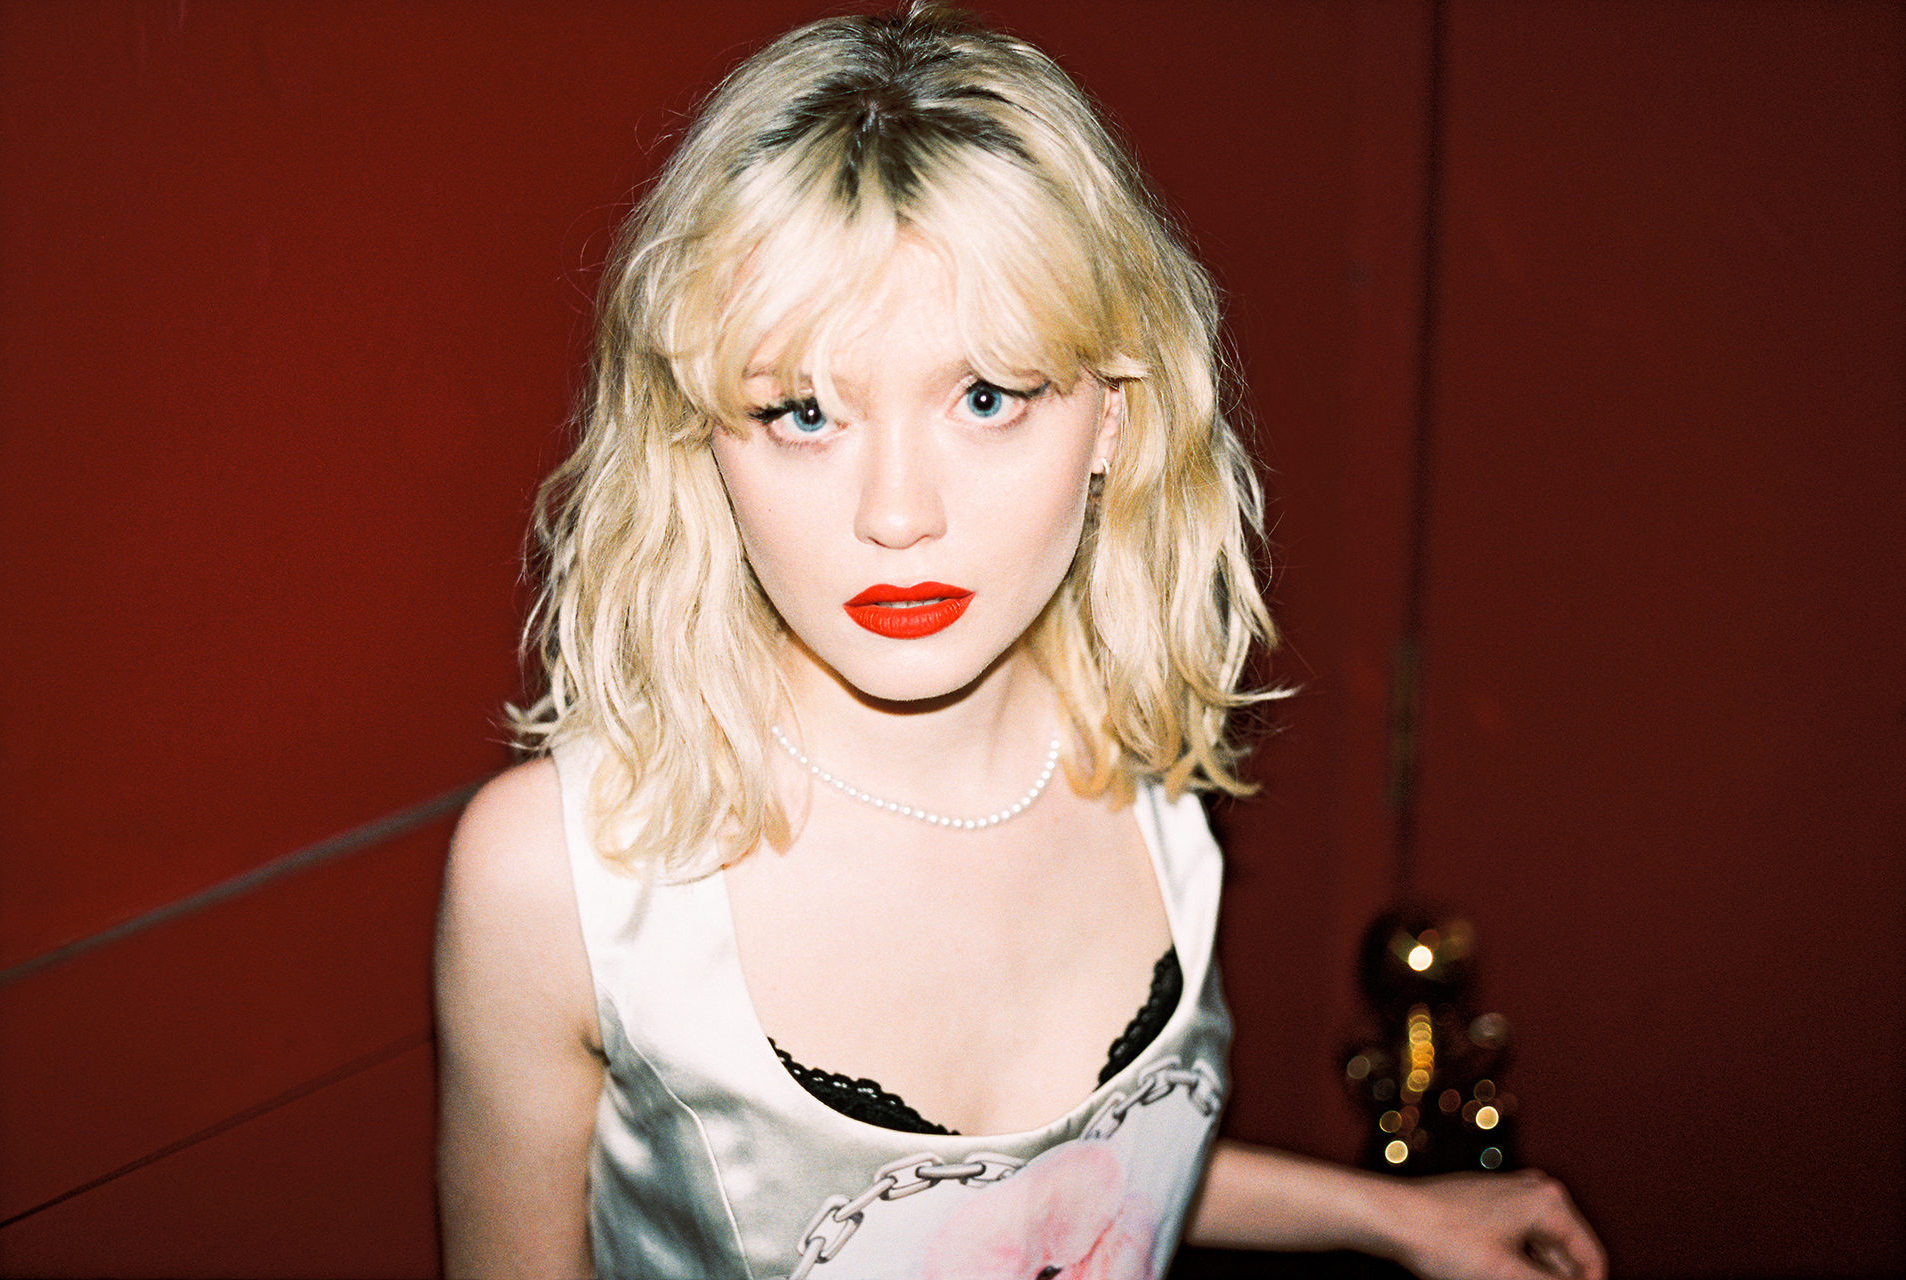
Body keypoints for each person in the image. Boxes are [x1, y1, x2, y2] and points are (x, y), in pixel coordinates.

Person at [434, 5, 1608, 1278]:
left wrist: (1394, 1214)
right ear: (696, 435)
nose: (897, 514)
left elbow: (1060, 1188)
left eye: (986, 396)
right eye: (802, 411)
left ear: (1115, 413)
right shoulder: (562, 875)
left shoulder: (1138, 742)